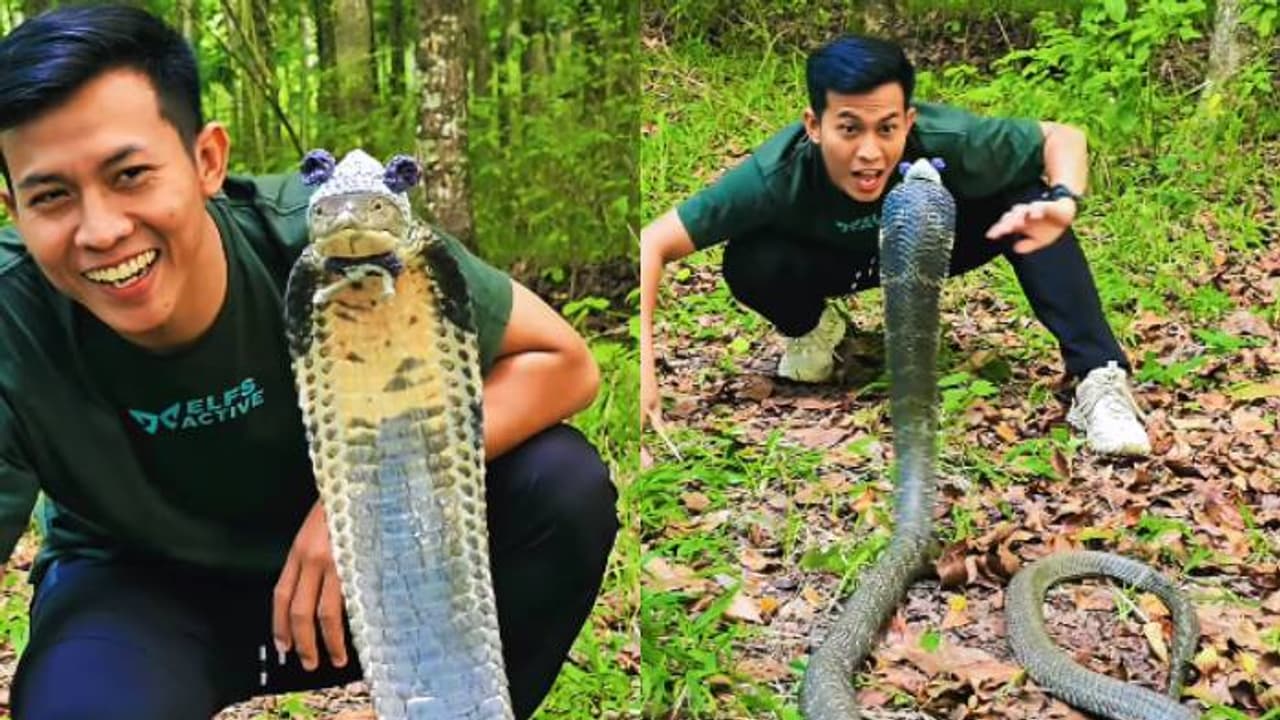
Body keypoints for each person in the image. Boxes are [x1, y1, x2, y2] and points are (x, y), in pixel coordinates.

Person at [0, 6, 618, 719]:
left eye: (131, 174)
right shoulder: (14, 313)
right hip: (136, 599)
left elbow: (563, 363)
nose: (101, 230)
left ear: (207, 159)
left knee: (558, 486)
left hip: (361, 573)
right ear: (13, 207)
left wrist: (354, 503)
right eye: (51, 196)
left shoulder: (332, 232)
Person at [640, 34, 1151, 457]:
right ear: (814, 126)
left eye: (887, 129)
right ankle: (818, 331)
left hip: (942, 236)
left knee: (1028, 196)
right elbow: (652, 244)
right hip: (836, 261)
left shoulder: (947, 135)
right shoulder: (777, 173)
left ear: (907, 121)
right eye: (848, 129)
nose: (869, 151)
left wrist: (1063, 201)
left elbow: (1062, 137)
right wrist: (639, 369)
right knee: (751, 259)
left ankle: (1097, 377)